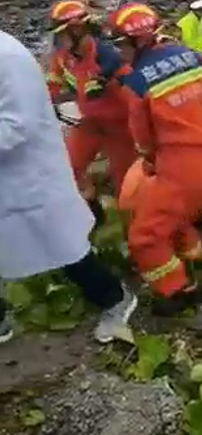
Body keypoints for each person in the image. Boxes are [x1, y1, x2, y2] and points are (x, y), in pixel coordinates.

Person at [0, 29, 137, 345]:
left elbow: (19, 125)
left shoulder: (8, 57)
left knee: (62, 246)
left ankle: (114, 298)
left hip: (27, 174)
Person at [107, 3, 202, 315]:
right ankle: (196, 245)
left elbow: (143, 138)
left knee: (143, 236)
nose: (120, 52)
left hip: (179, 167)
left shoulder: (138, 82)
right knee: (179, 212)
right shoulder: (190, 57)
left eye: (121, 44)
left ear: (138, 42)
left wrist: (152, 161)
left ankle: (178, 290)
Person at [46, 0, 137, 222]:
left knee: (127, 184)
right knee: (68, 169)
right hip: (89, 125)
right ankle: (94, 213)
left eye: (62, 34)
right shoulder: (62, 57)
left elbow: (135, 97)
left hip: (120, 129)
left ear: (78, 29)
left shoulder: (110, 58)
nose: (58, 40)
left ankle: (133, 227)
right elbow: (53, 85)